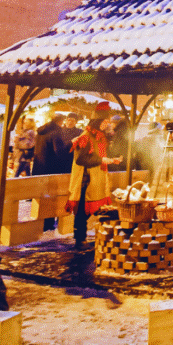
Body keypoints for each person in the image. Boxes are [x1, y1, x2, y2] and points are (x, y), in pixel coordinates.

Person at [66, 104, 121, 249]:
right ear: (97, 121)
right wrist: (102, 160)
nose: (106, 124)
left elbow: (98, 155)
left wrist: (110, 160)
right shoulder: (85, 136)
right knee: (82, 211)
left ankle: (91, 236)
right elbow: (81, 159)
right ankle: (80, 239)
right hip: (86, 179)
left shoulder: (99, 137)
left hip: (97, 178)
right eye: (104, 122)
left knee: (94, 209)